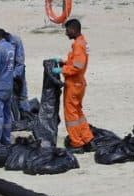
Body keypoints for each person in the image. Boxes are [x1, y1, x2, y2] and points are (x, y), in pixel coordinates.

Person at [54, 18, 94, 152]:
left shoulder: (78, 45)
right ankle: (87, 139)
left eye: (67, 30)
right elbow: (76, 63)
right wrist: (64, 63)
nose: (66, 33)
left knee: (71, 114)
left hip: (74, 83)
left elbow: (77, 67)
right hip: (79, 83)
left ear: (73, 29)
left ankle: (77, 143)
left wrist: (62, 70)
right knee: (78, 112)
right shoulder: (81, 42)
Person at [2, 29, 29, 111]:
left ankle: (25, 117)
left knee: (22, 98)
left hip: (18, 75)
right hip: (7, 75)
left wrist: (12, 76)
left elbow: (20, 62)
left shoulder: (15, 40)